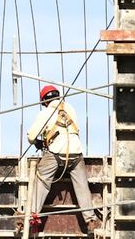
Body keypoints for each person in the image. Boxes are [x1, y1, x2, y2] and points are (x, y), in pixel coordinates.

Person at [24, 85, 100, 232]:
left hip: (55, 153)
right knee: (82, 186)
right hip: (76, 154)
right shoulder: (70, 108)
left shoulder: (45, 112)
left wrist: (38, 143)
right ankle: (90, 220)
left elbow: (31, 136)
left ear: (44, 101)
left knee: (42, 180)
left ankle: (33, 215)